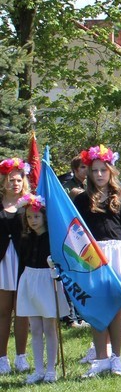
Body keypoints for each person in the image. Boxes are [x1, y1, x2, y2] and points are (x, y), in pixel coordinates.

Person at [74, 145, 121, 378]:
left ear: (111, 171)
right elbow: (75, 230)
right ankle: (101, 358)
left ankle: (116, 357)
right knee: (96, 307)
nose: (99, 174)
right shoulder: (82, 200)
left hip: (116, 253)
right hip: (93, 255)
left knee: (115, 306)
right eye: (95, 170)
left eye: (103, 170)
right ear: (89, 173)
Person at [16, 194, 69, 384]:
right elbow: (22, 262)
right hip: (30, 280)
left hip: (47, 280)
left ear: (44, 217)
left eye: (36, 216)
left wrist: (56, 268)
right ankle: (38, 369)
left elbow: (61, 260)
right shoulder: (26, 238)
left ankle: (50, 370)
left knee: (49, 327)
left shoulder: (52, 238)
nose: (33, 221)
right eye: (29, 217)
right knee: (36, 328)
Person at [0, 158, 30, 375]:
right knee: (3, 312)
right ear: (3, 181)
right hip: (2, 262)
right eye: (11, 180)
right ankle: (2, 358)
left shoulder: (29, 203)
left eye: (18, 180)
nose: (15, 183)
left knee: (22, 312)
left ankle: (21, 356)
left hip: (23, 261)